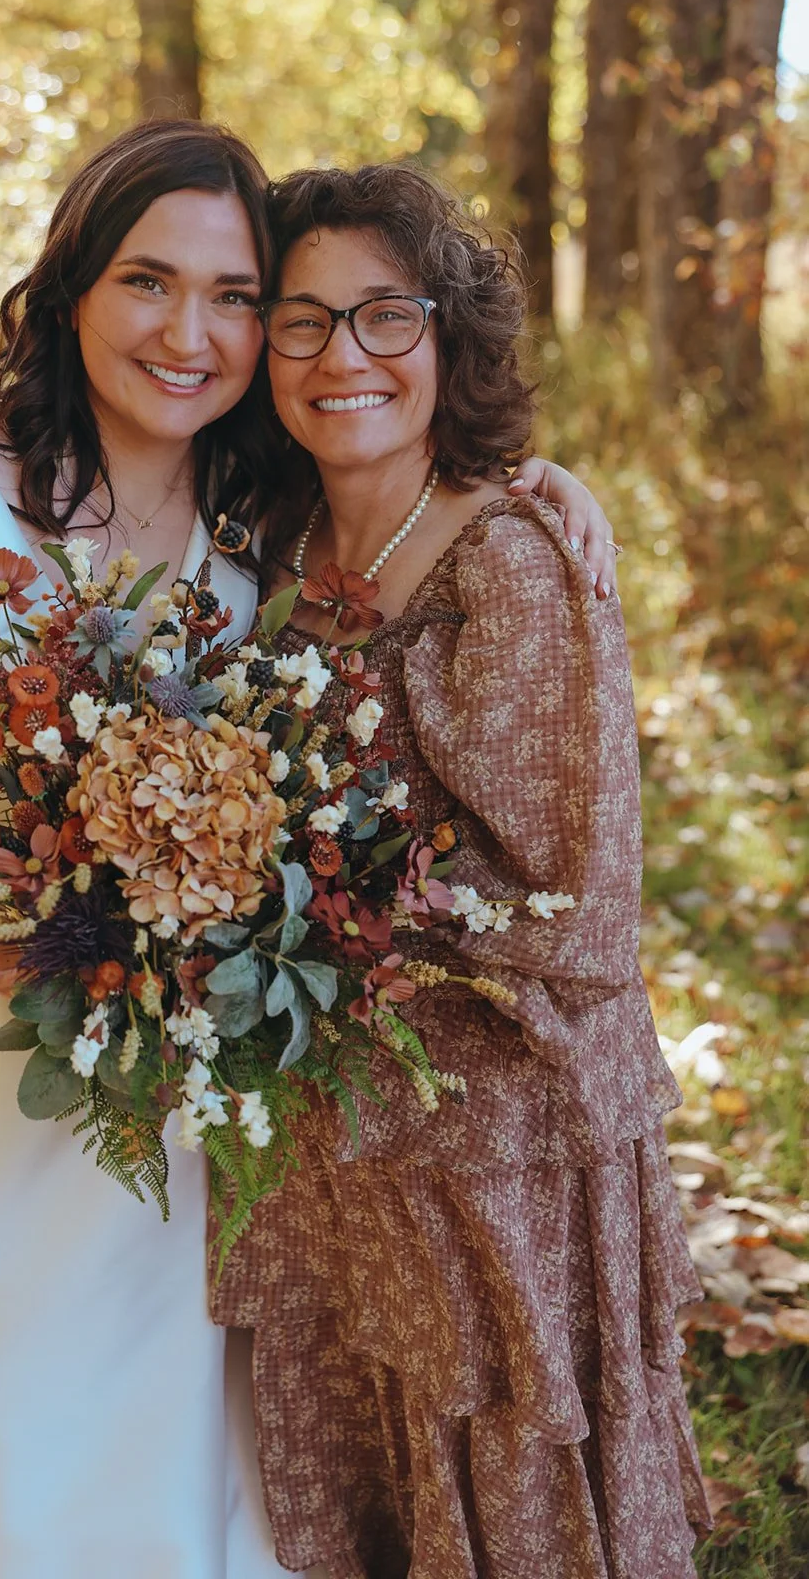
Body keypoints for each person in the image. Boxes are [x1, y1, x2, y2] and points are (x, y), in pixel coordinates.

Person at [0, 121, 617, 1577]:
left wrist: (538, 489)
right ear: (72, 287)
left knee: (163, 1342)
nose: (190, 332)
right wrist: (51, 962)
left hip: (191, 1041)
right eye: (149, 282)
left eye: (233, 298)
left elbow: (410, 489)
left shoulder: (253, 512)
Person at [209, 163, 711, 1578]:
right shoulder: (275, 539)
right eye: (299, 322)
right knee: (371, 1469)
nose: (340, 357)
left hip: (496, 1126)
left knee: (498, 1463)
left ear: (448, 337)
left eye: (383, 316)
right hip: (331, 1116)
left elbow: (575, 900)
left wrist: (304, 911)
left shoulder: (505, 556)